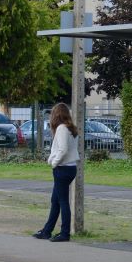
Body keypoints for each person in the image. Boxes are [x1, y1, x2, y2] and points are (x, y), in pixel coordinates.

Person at [34, 102, 80, 243]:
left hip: (62, 168)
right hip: (71, 167)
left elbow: (63, 150)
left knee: (62, 201)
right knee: (55, 200)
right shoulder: (71, 129)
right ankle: (47, 230)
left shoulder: (61, 128)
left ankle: (65, 233)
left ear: (57, 115)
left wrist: (54, 163)